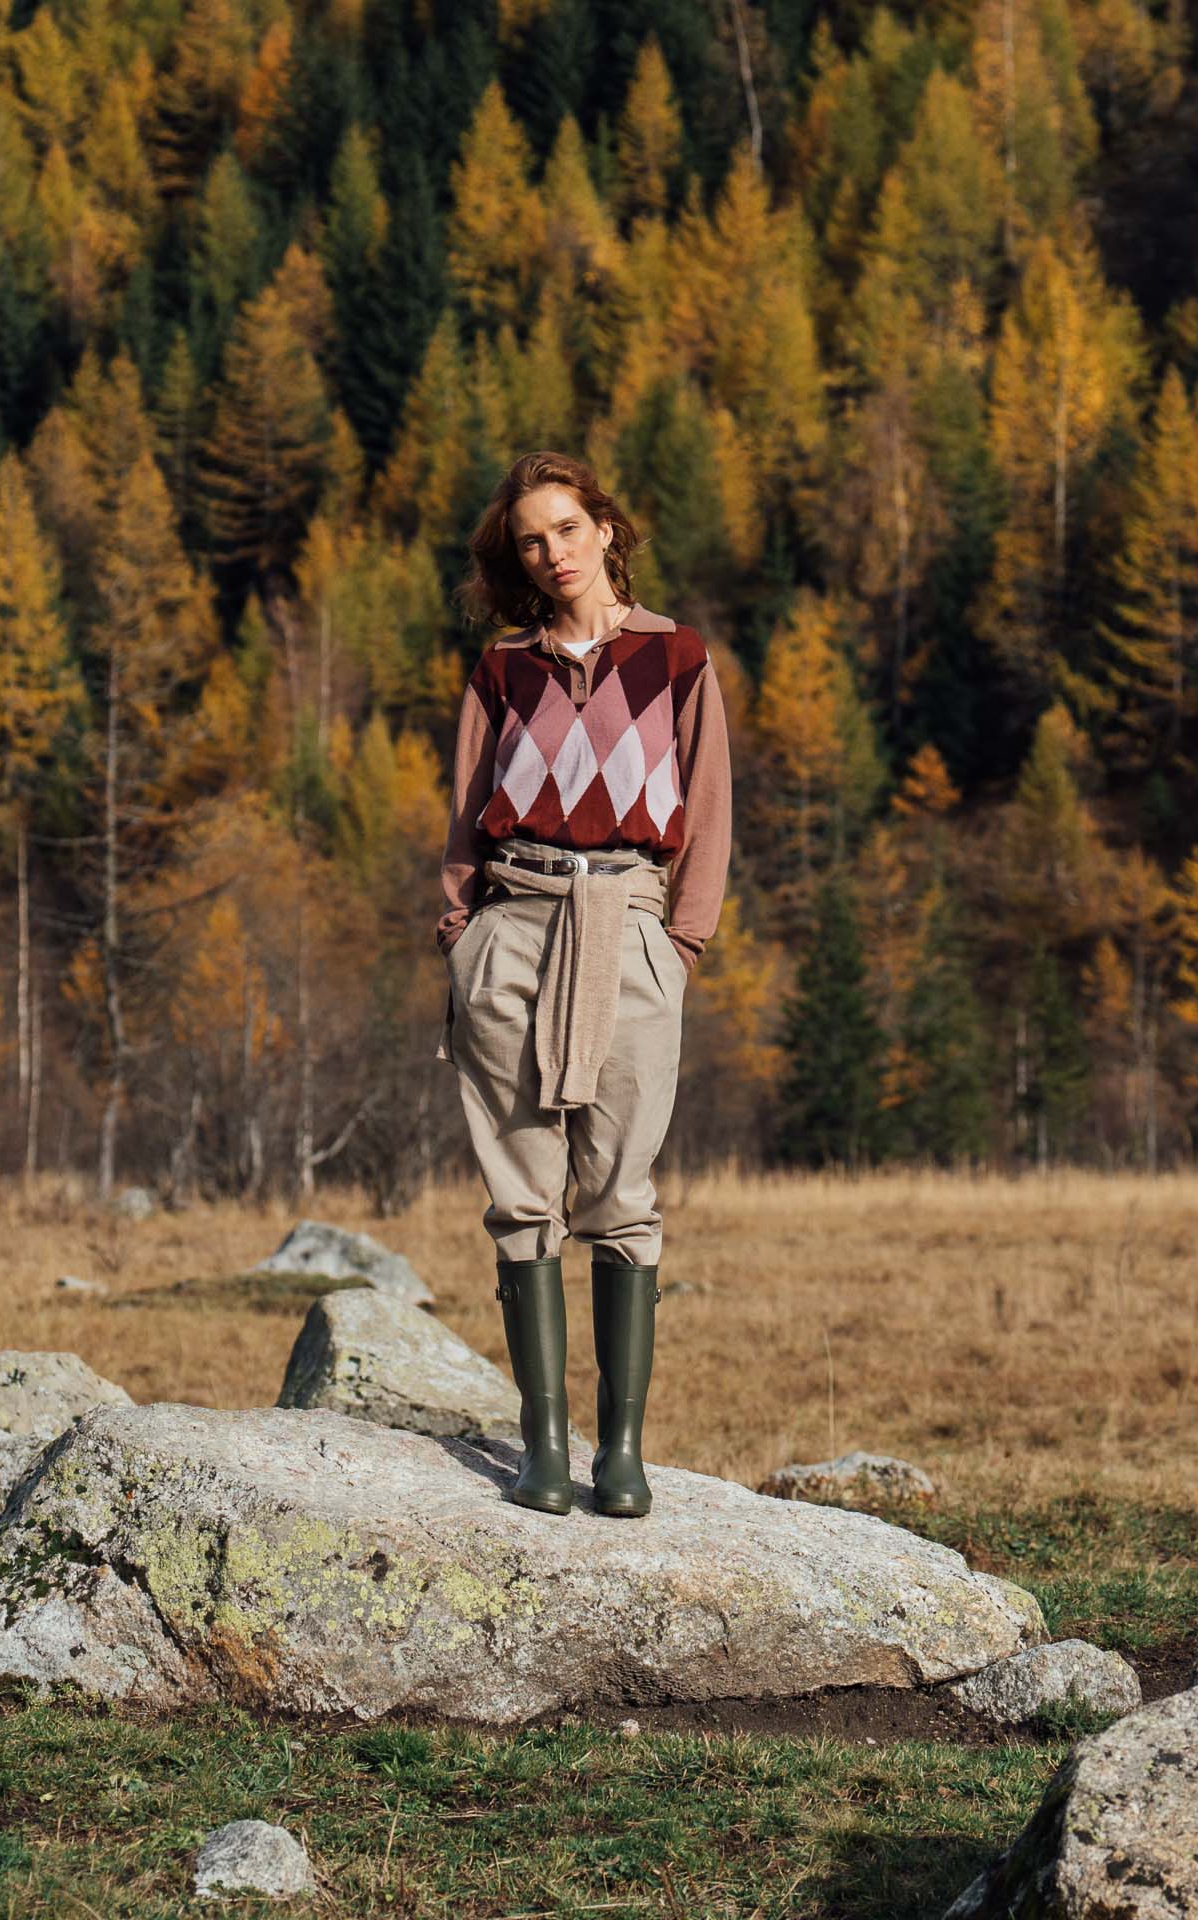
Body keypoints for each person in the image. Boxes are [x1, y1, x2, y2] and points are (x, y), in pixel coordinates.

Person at [434, 450, 732, 1520]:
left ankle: (623, 1451)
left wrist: (679, 951)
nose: (552, 552)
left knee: (619, 1196)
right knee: (522, 1197)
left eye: (567, 527)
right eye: (530, 538)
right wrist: (462, 936)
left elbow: (708, 809)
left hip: (630, 932)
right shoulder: (501, 670)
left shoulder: (677, 658)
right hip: (512, 930)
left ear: (607, 528)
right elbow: (468, 810)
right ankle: (543, 1450)